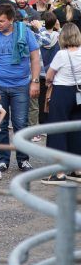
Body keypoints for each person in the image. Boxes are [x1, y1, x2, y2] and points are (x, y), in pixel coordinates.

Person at [0, 3, 41, 173]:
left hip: (21, 85)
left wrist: (35, 81)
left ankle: (23, 159)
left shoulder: (25, 33)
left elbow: (35, 59)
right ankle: (3, 159)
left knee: (21, 123)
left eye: (1, 21)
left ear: (11, 20)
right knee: (1, 124)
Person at [43, 23, 81, 184]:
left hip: (62, 92)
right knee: (76, 130)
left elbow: (50, 75)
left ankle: (58, 172)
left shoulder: (61, 55)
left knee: (57, 129)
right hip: (78, 92)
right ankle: (77, 169)